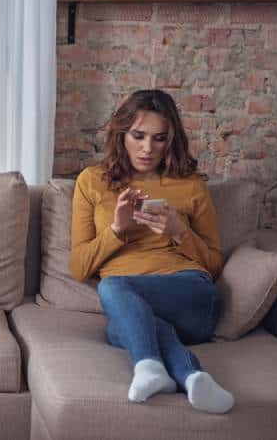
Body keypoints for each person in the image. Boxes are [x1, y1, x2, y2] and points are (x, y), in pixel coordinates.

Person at [69, 89, 234, 414]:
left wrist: (179, 232)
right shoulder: (92, 182)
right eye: (138, 136)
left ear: (171, 139)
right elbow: (79, 266)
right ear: (122, 134)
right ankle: (192, 377)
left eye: (159, 138)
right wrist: (117, 230)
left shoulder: (190, 185)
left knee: (114, 289)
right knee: (122, 324)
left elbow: (214, 264)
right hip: (133, 308)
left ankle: (146, 363)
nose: (148, 148)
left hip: (190, 296)